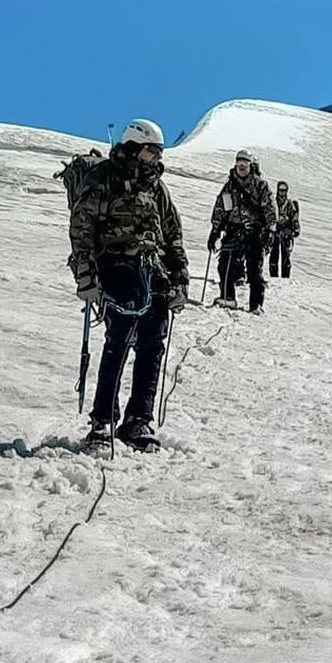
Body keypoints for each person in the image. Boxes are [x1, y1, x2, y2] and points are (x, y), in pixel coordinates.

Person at [69, 120, 187, 450]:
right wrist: (86, 277)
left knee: (152, 344)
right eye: (153, 151)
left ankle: (139, 419)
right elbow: (82, 230)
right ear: (134, 148)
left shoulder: (157, 188)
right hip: (115, 267)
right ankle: (103, 421)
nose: (157, 157)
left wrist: (180, 280)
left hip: (153, 272)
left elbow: (173, 235)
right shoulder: (102, 178)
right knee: (119, 338)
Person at [209, 150, 276, 313]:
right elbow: (221, 208)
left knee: (254, 269)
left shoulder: (260, 185)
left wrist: (270, 229)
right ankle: (227, 297)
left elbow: (269, 208)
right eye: (239, 165)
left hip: (254, 233)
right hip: (233, 231)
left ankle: (256, 304)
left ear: (251, 166)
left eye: (244, 165)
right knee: (225, 265)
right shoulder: (229, 186)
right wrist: (215, 230)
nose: (241, 168)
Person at [269, 181, 300, 278]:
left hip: (286, 231)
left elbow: (294, 216)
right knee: (274, 253)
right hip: (275, 230)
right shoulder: (273, 202)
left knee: (286, 254)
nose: (282, 193)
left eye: (284, 191)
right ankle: (273, 275)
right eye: (280, 190)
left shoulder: (289, 204)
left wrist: (296, 227)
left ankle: (285, 276)